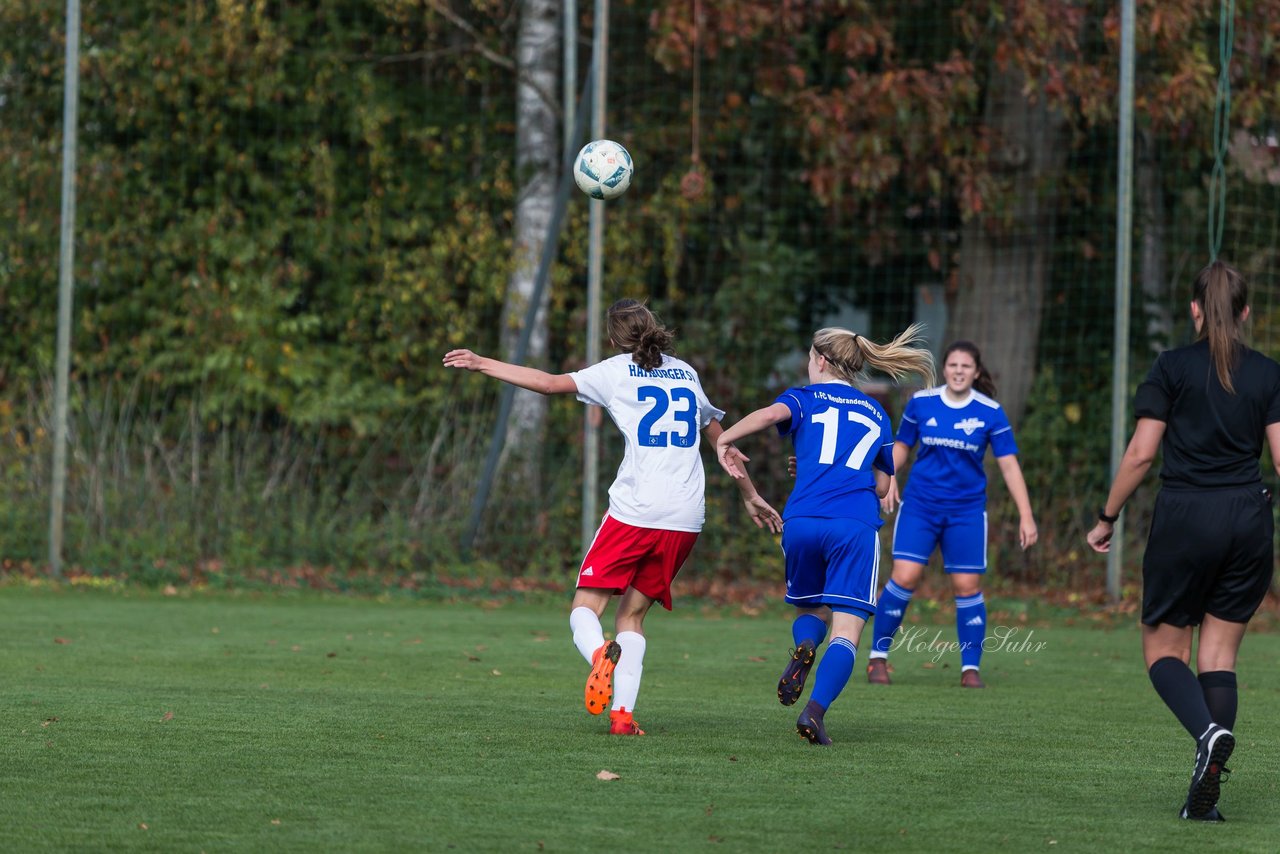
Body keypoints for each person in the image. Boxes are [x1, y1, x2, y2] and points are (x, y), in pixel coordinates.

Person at [443, 298, 781, 736]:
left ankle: (601, 656)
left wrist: (481, 362)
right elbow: (719, 439)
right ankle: (622, 717)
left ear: (613, 338)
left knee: (585, 607)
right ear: (654, 329)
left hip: (636, 511)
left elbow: (547, 384)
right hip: (685, 517)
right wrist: (750, 494)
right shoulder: (685, 372)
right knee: (632, 618)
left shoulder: (615, 371)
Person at [1086, 260, 1280, 822]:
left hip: (1186, 518)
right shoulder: (1269, 374)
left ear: (1195, 310)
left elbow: (1142, 453)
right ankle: (1206, 792)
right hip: (1249, 519)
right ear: (1245, 312)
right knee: (1219, 656)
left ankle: (1209, 734)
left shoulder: (1171, 367)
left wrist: (1107, 517)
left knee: (1163, 653)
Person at [715, 325, 934, 745]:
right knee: (847, 631)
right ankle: (814, 713)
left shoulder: (802, 397)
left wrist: (725, 438)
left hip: (801, 523)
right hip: (852, 526)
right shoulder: (875, 412)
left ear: (819, 360)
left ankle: (804, 650)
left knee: (811, 611)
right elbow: (884, 487)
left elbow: (768, 416)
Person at [865, 340, 1038, 689]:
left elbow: (1008, 466)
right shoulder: (922, 403)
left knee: (966, 585)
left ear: (976, 372)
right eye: (953, 365)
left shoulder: (990, 411)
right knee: (905, 577)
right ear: (944, 369)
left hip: (967, 512)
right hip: (921, 507)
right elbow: (901, 446)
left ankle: (970, 669)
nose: (959, 371)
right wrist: (889, 478)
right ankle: (877, 659)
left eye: (966, 366)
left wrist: (1026, 515)